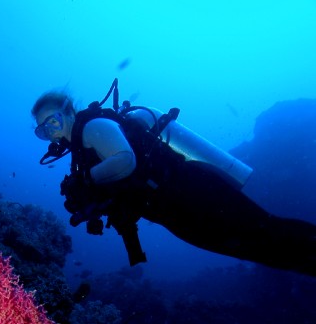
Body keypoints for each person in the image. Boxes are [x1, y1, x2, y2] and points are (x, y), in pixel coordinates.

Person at [31, 81, 316, 276]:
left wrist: (87, 180)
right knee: (260, 249)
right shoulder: (81, 150)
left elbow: (125, 160)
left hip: (192, 193)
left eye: (53, 121)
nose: (51, 131)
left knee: (266, 232)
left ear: (69, 111)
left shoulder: (92, 127)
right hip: (175, 211)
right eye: (43, 130)